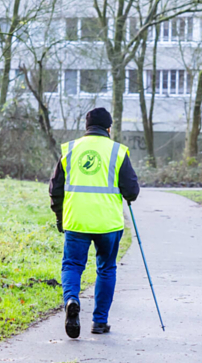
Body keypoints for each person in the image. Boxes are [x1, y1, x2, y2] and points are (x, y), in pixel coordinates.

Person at [48, 107, 140, 339]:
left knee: (72, 266)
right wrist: (126, 194)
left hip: (76, 221)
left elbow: (55, 189)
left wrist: (60, 217)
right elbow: (132, 191)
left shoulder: (70, 149)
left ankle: (71, 300)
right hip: (108, 224)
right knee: (106, 269)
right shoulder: (118, 151)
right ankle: (99, 322)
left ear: (87, 127)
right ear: (109, 128)